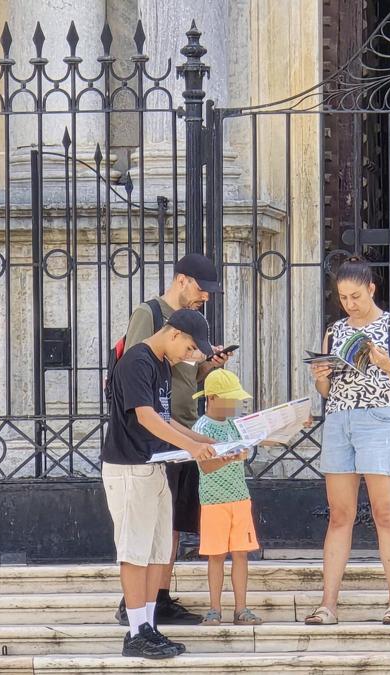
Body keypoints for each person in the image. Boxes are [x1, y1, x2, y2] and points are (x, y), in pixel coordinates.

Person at [115, 253, 233, 626]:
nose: (205, 297)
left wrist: (205, 367)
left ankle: (159, 599)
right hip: (155, 436)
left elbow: (178, 376)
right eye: (202, 289)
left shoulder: (188, 327)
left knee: (173, 521)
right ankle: (136, 608)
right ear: (181, 280)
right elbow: (137, 373)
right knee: (149, 526)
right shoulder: (149, 315)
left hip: (181, 426)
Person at [305, 256, 390, 627]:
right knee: (339, 515)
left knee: (385, 512)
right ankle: (328, 605)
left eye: (355, 296)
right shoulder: (335, 330)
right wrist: (320, 376)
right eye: (343, 297)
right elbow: (327, 390)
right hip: (340, 420)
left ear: (371, 289)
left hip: (380, 419)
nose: (349, 304)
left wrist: (385, 364)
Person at [102, 308, 220, 659]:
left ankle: (148, 626)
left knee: (156, 551)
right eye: (189, 348)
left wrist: (204, 442)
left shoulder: (163, 366)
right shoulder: (137, 362)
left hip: (153, 466)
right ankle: (136, 631)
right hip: (129, 467)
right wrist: (192, 447)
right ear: (174, 333)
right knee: (134, 551)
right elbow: (146, 417)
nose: (190, 356)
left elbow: (166, 420)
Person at [191, 369, 264, 627]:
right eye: (229, 399)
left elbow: (260, 437)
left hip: (239, 498)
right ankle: (214, 609)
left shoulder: (235, 424)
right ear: (211, 398)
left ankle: (241, 609)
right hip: (214, 501)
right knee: (216, 556)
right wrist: (230, 457)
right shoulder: (201, 428)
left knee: (241, 554)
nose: (234, 405)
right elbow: (205, 466)